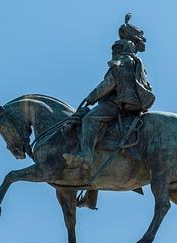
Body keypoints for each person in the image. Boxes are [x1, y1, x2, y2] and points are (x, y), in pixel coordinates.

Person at [63, 22, 154, 171]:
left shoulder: (122, 61)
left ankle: (86, 156)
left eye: (116, 48)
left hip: (117, 104)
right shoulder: (133, 62)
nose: (113, 51)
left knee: (89, 119)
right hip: (129, 104)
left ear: (124, 47)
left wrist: (91, 97)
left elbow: (109, 84)